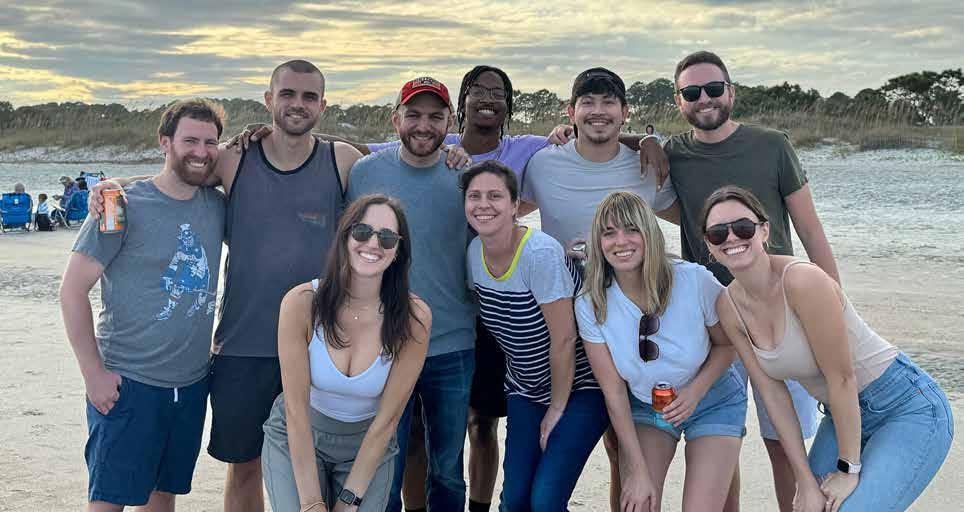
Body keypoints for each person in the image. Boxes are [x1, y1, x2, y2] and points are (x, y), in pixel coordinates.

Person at [89, 59, 365, 512]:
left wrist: (457, 154)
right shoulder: (235, 158)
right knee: (244, 466)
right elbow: (177, 175)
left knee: (318, 465)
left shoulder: (343, 160)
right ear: (268, 99)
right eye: (287, 94)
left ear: (323, 105)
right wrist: (115, 186)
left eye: (309, 96)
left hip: (322, 343)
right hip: (243, 345)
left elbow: (394, 180)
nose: (297, 104)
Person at [663, 50, 840, 512]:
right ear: (679, 101)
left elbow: (811, 232)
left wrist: (835, 310)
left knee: (784, 441)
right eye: (691, 92)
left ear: (731, 92)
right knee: (720, 436)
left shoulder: (773, 146)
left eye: (713, 88)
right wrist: (635, 139)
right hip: (712, 320)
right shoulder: (672, 154)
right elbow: (615, 153)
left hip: (783, 313)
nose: (704, 99)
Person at [704, 186, 953, 512]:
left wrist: (848, 469)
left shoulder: (802, 281)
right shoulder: (729, 307)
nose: (732, 237)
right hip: (840, 415)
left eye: (743, 227)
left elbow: (842, 378)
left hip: (905, 406)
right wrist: (804, 480)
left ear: (764, 230)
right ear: (709, 245)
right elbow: (772, 393)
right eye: (718, 232)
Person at [520, 67, 678, 511]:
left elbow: (689, 216)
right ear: (570, 112)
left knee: (625, 445)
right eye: (587, 102)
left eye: (609, 102)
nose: (598, 111)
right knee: (559, 434)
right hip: (563, 321)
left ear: (625, 112)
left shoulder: (646, 166)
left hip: (631, 321)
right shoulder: (543, 164)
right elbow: (503, 211)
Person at [59, 99, 226, 511]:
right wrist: (93, 375)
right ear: (164, 142)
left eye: (210, 142)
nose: (201, 151)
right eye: (190, 140)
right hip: (129, 383)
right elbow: (72, 290)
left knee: (162, 497)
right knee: (109, 501)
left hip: (190, 385)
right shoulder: (118, 204)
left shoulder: (217, 206)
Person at [346, 76, 477, 512]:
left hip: (452, 343)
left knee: (447, 468)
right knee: (385, 463)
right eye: (414, 115)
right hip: (383, 342)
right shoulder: (365, 173)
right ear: (395, 119)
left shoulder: (465, 177)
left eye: (435, 116)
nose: (424, 125)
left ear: (450, 122)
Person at [575, 191, 745, 511]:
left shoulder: (693, 280)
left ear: (649, 233)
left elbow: (727, 344)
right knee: (638, 501)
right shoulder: (591, 302)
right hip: (647, 405)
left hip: (712, 398)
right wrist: (637, 471)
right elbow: (614, 391)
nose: (620, 241)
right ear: (598, 242)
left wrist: (694, 392)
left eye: (631, 229)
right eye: (608, 233)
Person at [261, 194, 431, 512]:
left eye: (387, 237)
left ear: (398, 250)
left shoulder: (415, 317)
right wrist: (312, 503)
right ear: (344, 236)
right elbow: (296, 411)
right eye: (362, 231)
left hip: (368, 445)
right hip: (298, 436)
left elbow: (388, 420)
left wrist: (349, 501)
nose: (373, 243)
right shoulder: (300, 303)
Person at [461, 161, 608, 510]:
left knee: (545, 501)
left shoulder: (539, 254)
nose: (483, 204)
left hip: (581, 387)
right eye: (474, 196)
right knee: (514, 501)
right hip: (526, 388)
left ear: (515, 205)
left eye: (495, 196)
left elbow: (564, 339)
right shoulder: (474, 253)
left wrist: (556, 408)